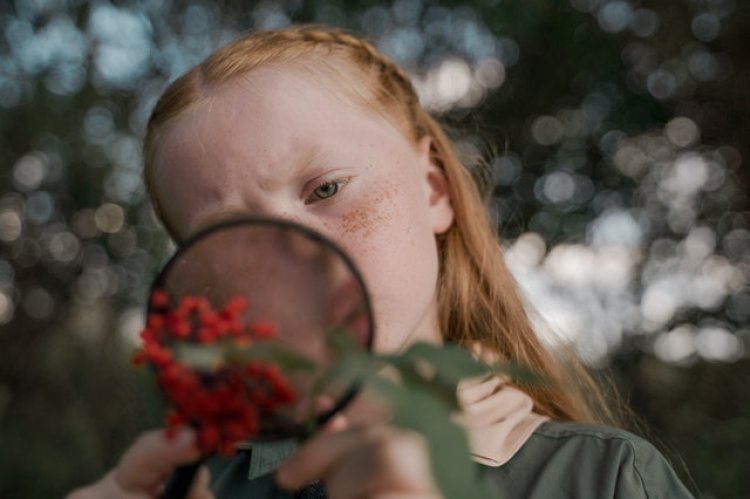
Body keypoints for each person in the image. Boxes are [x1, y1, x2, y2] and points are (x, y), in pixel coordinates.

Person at [68, 25, 695, 498]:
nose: (289, 260)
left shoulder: (603, 479)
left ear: (433, 190)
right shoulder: (189, 486)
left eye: (327, 189)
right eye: (232, 235)